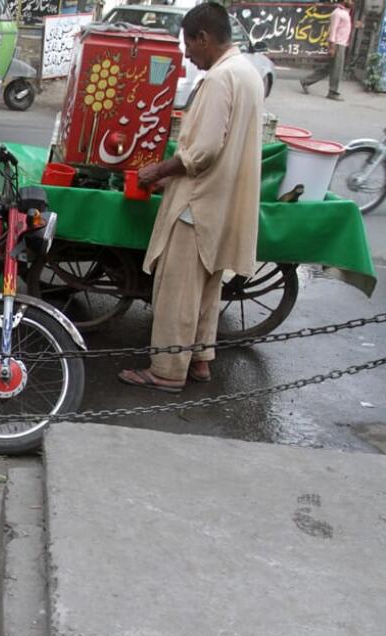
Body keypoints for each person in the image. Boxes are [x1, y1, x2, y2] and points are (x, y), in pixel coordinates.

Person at [119, 2, 263, 393]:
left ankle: (167, 370)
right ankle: (199, 360)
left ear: (204, 37)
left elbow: (204, 151)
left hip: (198, 207)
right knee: (205, 288)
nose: (185, 55)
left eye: (188, 45)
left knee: (178, 290)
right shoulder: (247, 73)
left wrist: (158, 172)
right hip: (221, 200)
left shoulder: (219, 79)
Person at [299, 0, 353, 101]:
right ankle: (333, 91)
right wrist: (331, 46)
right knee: (337, 69)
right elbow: (332, 30)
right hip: (337, 44)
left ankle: (306, 81)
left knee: (329, 68)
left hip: (342, 44)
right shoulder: (337, 13)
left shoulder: (345, 12)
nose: (351, 1)